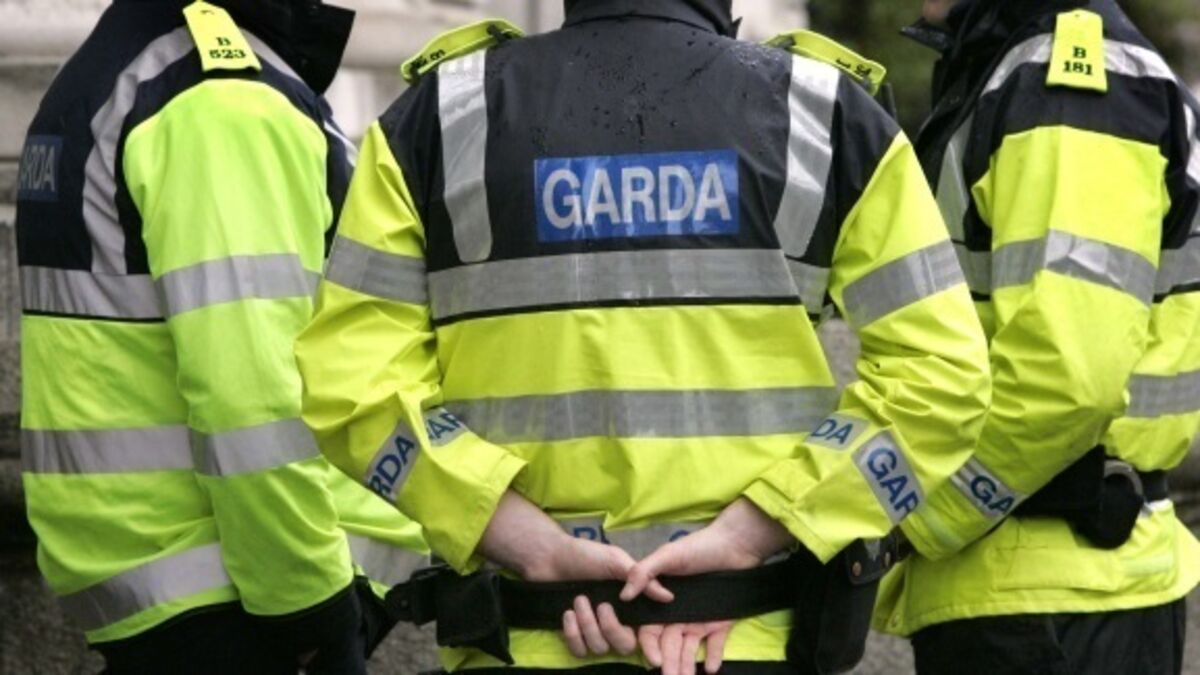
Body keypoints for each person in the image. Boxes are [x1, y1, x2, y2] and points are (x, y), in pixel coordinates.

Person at [296, 0, 991, 672]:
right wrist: (753, 532)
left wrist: (524, 540)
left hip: (525, 634)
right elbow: (941, 379)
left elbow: (353, 383)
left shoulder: (443, 116)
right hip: (746, 636)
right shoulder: (824, 114)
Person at [15, 0, 427, 672]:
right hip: (249, 600)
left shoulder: (121, 70)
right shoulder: (220, 100)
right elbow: (250, 394)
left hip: (171, 591)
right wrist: (312, 608)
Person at [874, 1, 1200, 673]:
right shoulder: (1015, 69)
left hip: (1049, 592)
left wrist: (916, 518)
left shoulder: (1067, 86)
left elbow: (1068, 378)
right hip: (1043, 581)